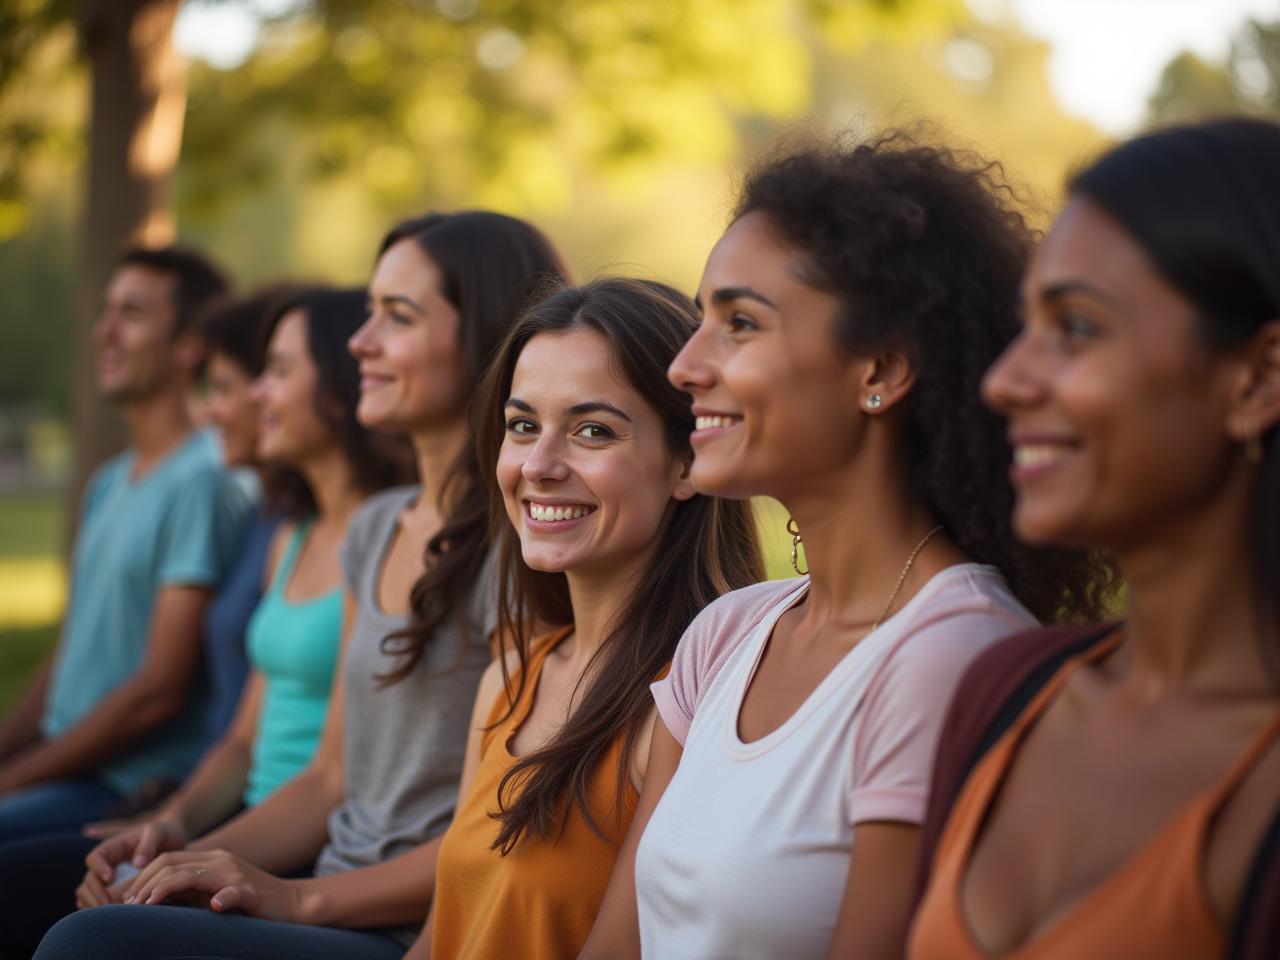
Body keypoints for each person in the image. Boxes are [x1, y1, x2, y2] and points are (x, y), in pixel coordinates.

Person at [581, 134, 1110, 960]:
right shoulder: (726, 635)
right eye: (701, 319)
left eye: (740, 323)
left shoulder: (950, 657)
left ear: (883, 368)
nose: (686, 364)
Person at [35, 211, 570, 960]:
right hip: (323, 891)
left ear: (481, 337)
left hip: (405, 928)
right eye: (369, 314)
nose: (361, 342)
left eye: (398, 317)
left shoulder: (520, 550)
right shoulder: (379, 528)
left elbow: (488, 842)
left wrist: (291, 896)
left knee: (88, 945)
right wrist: (180, 845)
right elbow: (328, 780)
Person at [908, 118, 1280, 959]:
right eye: (1024, 326)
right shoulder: (1004, 693)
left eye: (1075, 328)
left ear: (1257, 379)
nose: (1003, 382)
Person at [0, 286, 411, 957]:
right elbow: (244, 741)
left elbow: (329, 780)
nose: (251, 397)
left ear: (337, 391)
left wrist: (190, 853)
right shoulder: (293, 535)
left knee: (71, 928)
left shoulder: (382, 540)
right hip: (244, 819)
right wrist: (167, 828)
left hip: (298, 846)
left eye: (276, 374)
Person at [416, 277, 762, 960]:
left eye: (592, 431)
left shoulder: (691, 707)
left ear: (686, 462)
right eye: (522, 426)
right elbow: (441, 938)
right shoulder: (511, 678)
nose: (539, 466)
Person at [0, 246, 249, 841]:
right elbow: (72, 651)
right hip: (67, 765)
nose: (103, 332)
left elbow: (157, 693)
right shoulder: (109, 479)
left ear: (190, 345)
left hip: (129, 785)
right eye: (107, 311)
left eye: (131, 314)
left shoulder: (203, 482)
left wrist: (13, 781)